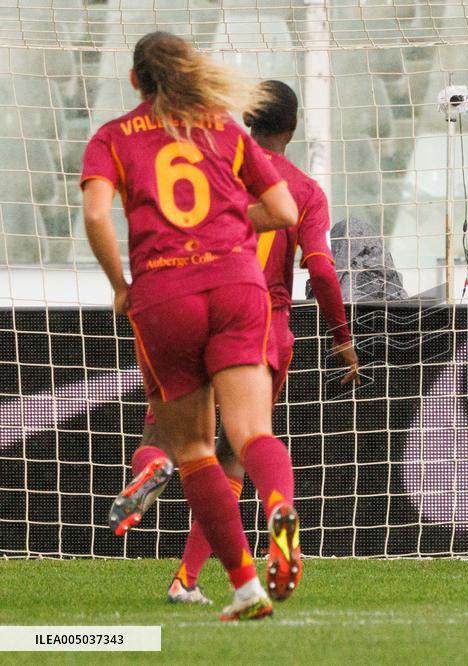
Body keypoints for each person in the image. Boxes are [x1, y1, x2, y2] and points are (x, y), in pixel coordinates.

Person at [109, 80, 361, 606]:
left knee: (174, 432)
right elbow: (322, 272)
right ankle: (242, 538)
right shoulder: (304, 192)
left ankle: (157, 485)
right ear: (292, 128)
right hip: (260, 322)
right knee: (236, 452)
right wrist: (342, 339)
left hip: (191, 305)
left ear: (248, 120)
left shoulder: (216, 168)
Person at [81, 31, 301, 621]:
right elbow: (283, 212)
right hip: (236, 285)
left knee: (195, 448)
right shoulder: (224, 127)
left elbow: (97, 213)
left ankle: (247, 589)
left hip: (164, 294)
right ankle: (280, 504)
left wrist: (120, 285)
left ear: (135, 82)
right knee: (252, 432)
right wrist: (226, 223)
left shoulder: (112, 137)